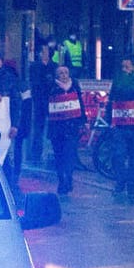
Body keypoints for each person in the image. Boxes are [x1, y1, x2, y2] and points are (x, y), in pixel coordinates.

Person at [107, 57, 134, 201]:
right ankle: (120, 181)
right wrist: (111, 120)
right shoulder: (117, 81)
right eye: (123, 66)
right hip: (120, 126)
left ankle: (131, 186)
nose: (124, 70)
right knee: (119, 156)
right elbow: (112, 100)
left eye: (127, 67)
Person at [46, 65, 83, 195]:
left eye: (66, 72)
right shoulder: (51, 87)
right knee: (59, 155)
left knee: (70, 154)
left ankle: (68, 177)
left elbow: (80, 103)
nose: (64, 75)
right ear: (56, 75)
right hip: (57, 128)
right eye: (60, 73)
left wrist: (83, 121)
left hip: (72, 127)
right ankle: (62, 179)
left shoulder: (74, 86)